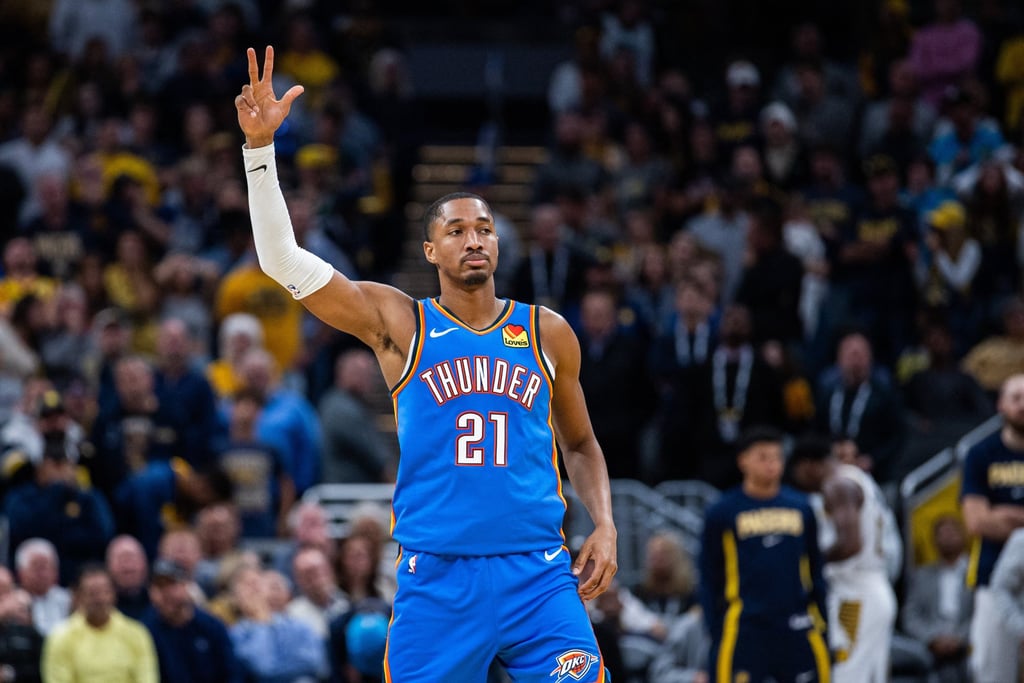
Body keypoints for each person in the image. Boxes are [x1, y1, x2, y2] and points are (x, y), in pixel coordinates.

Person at [236, 45, 617, 682]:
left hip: (538, 575)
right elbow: (282, 261)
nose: (475, 238)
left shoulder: (547, 331)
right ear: (430, 249)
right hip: (438, 579)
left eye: (486, 228)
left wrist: (604, 524)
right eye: (459, 230)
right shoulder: (402, 323)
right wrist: (259, 152)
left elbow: (579, 442)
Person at [699, 427, 830, 683]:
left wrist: (823, 620)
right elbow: (708, 575)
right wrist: (714, 628)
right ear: (743, 460)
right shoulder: (722, 511)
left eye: (777, 457)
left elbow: (816, 569)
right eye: (763, 457)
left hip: (796, 625)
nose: (772, 464)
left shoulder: (802, 507)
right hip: (745, 627)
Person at [960, 373, 1024, 682]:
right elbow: (976, 521)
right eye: (1016, 398)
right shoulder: (981, 453)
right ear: (1000, 404)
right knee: (991, 673)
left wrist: (1003, 513)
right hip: (991, 576)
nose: (1023, 405)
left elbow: (990, 517)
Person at [41, 565, 159, 683]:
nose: (100, 599)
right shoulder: (60, 637)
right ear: (79, 597)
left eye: (105, 592)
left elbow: (147, 678)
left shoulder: (136, 633)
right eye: (92, 593)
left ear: (114, 594)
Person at [142, 558, 243, 683]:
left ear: (186, 585)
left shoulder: (211, 626)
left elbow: (232, 674)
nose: (165, 594)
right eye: (158, 587)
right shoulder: (145, 631)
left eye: (171, 585)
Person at [902, 515, 972, 683]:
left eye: (952, 532)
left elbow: (983, 613)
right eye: (942, 533)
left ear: (963, 535)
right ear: (934, 540)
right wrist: (932, 638)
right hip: (931, 642)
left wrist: (960, 638)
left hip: (966, 640)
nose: (947, 537)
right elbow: (910, 616)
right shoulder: (922, 575)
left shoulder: (975, 572)